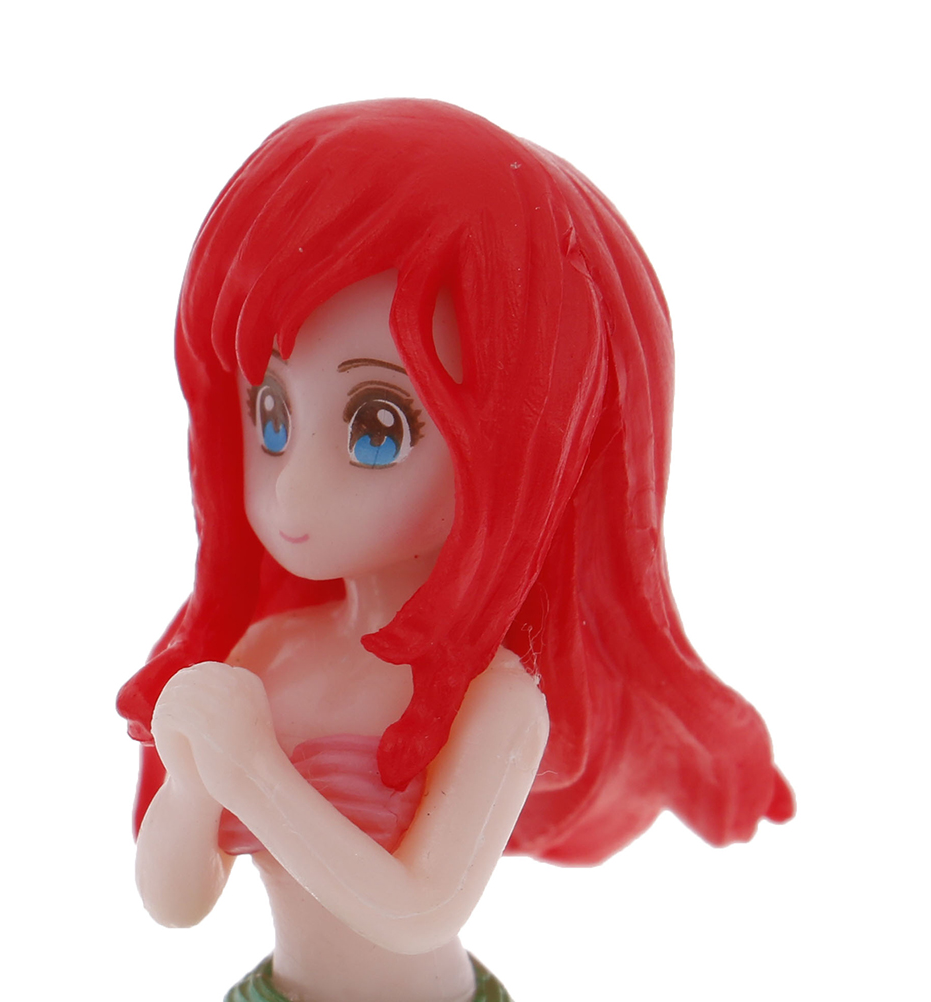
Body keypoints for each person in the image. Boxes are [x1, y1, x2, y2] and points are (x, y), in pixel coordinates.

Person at [117, 99, 792, 1002]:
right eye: (271, 414)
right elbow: (177, 901)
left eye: (376, 428)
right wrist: (190, 779)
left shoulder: (496, 697)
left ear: (511, 445)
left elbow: (420, 909)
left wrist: (248, 768)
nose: (293, 491)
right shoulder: (267, 654)